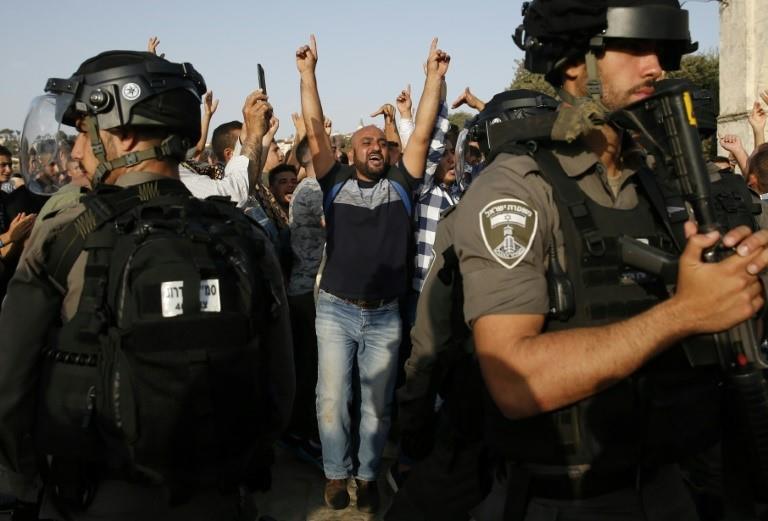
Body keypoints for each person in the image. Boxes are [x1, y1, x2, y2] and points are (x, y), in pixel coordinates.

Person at [450, 0, 768, 519]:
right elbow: (512, 379)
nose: (656, 68)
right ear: (577, 63)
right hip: (562, 501)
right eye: (636, 47)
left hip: (667, 487)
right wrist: (684, 311)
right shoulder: (517, 188)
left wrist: (740, 287)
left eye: (662, 52)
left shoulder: (655, 184)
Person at [0, 50, 294, 521]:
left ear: (123, 132)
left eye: (82, 131)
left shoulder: (64, 233)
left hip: (89, 500)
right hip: (218, 498)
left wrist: (27, 481)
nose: (75, 151)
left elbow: (9, 388)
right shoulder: (245, 237)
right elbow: (279, 392)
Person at [296, 34, 448, 513]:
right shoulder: (334, 182)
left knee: (377, 405)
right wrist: (307, 75)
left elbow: (420, 133)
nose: (376, 147)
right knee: (331, 399)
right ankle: (336, 475)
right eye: (367, 143)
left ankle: (366, 474)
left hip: (384, 316)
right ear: (350, 152)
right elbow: (316, 130)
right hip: (336, 310)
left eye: (381, 143)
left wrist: (433, 80)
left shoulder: (403, 185)